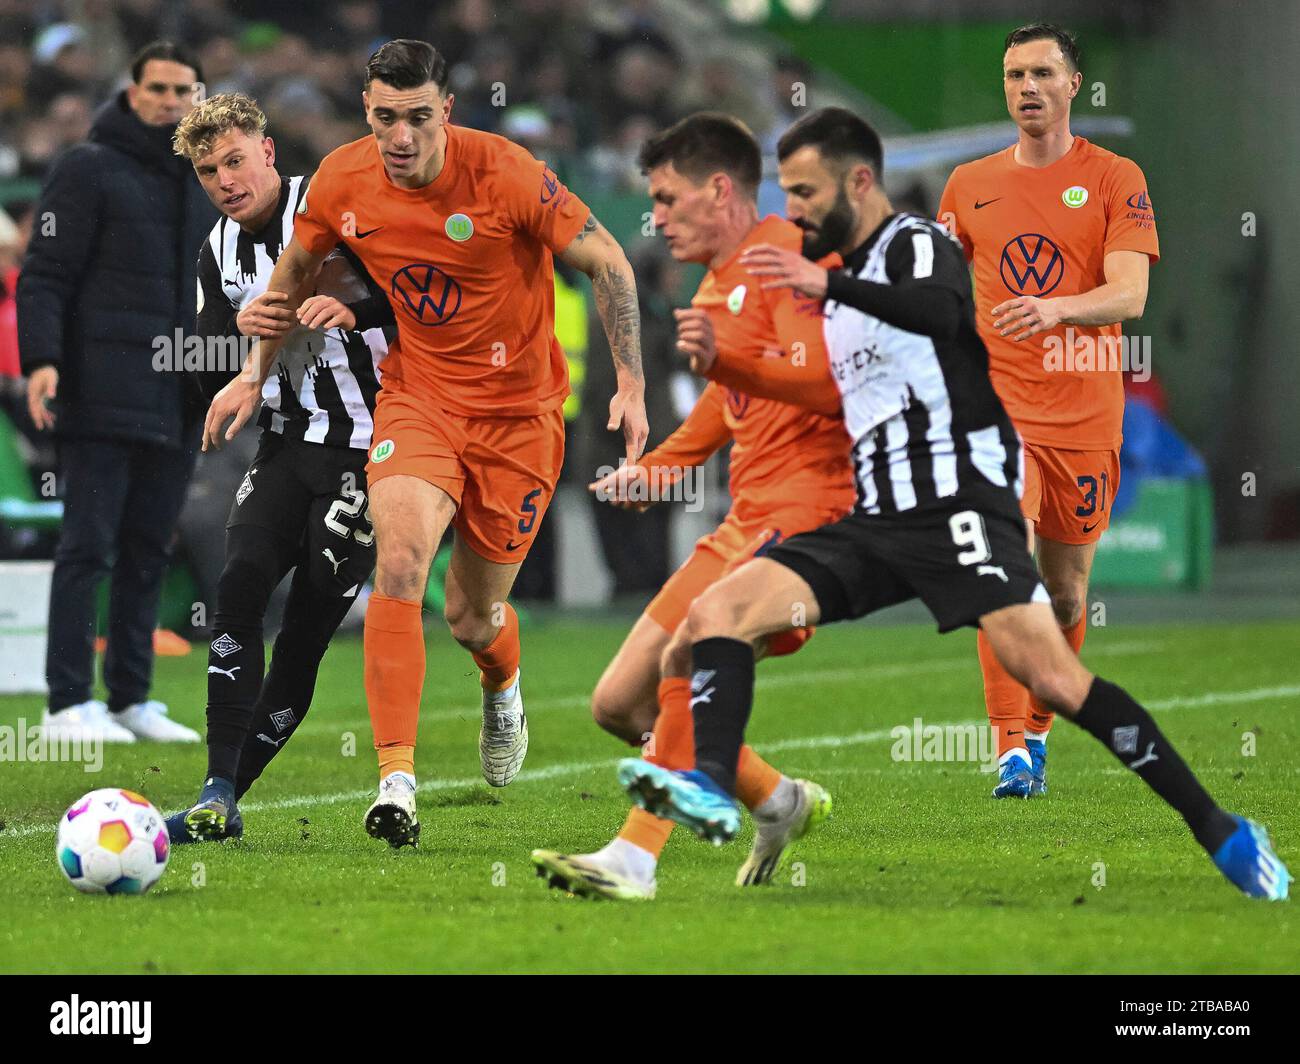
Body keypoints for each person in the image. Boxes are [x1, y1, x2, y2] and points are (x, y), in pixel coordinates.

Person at [617, 107, 1290, 902]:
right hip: (876, 517)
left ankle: (1221, 830)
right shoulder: (823, 279)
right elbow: (823, 388)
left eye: (804, 192)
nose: (791, 210)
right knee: (715, 617)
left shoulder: (913, 244)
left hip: (960, 508)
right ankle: (712, 785)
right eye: (786, 193)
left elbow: (943, 314)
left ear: (858, 181)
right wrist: (734, 362)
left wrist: (824, 282)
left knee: (1056, 678)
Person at [201, 40, 648, 849]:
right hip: (419, 400)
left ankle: (501, 681)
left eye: (416, 117)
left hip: (520, 419)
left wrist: (630, 382)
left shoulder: (506, 172)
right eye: (383, 118)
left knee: (474, 615)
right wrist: (248, 376)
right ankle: (396, 784)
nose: (399, 137)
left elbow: (609, 263)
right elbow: (291, 277)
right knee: (400, 565)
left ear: (447, 110)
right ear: (366, 113)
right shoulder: (342, 178)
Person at [531, 114, 849, 900]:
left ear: (720, 189)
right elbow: (723, 403)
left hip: (808, 519)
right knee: (617, 703)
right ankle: (779, 799)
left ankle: (634, 859)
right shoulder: (717, 280)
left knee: (693, 651)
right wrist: (656, 469)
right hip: (745, 519)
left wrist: (734, 357)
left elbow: (826, 379)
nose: (658, 219)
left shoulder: (791, 260)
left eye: (668, 201)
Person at [937, 23, 1159, 798]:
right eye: (1013, 75)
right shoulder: (967, 184)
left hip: (1086, 413)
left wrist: (1057, 310)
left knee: (1065, 592)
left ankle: (1037, 730)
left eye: (1041, 73)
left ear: (1073, 86)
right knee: (1001, 570)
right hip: (999, 414)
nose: (1026, 87)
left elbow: (1130, 293)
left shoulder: (1114, 177)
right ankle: (1007, 748)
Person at [165, 92, 393, 842]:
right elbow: (206, 370)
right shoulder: (216, 251)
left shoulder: (333, 208)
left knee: (304, 632)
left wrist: (354, 314)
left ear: (266, 150)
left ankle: (232, 788)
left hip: (371, 447)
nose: (226, 180)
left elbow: (416, 302)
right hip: (288, 443)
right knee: (236, 590)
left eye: (235, 160)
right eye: (209, 170)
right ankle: (218, 790)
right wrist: (235, 336)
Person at [19, 41, 216, 744]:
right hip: (101, 392)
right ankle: (67, 702)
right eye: (158, 88)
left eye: (183, 89)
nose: (171, 100)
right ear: (131, 94)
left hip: (176, 396)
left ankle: (131, 698)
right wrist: (41, 359)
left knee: (147, 551)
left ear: (200, 96)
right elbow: (45, 275)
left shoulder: (201, 180)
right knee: (87, 547)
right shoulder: (88, 168)